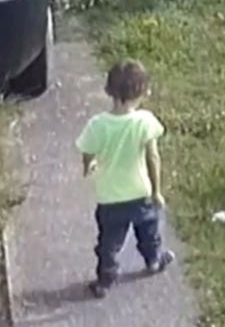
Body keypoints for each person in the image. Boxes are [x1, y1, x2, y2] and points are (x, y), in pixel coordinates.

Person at [75, 59, 176, 298]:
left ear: (108, 90)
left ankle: (105, 279)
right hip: (141, 193)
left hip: (109, 197)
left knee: (109, 243)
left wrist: (89, 166)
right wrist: (156, 191)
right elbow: (153, 157)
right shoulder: (145, 121)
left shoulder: (98, 125)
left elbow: (87, 151)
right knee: (149, 232)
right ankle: (153, 259)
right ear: (143, 92)